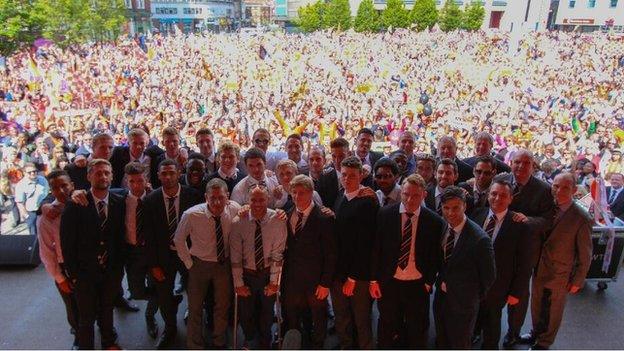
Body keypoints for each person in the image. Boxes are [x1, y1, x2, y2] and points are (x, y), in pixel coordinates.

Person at [370, 174, 446, 348]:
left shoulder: (434, 221)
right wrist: (374, 280)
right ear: (401, 192)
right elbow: (376, 250)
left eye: (416, 196)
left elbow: (434, 255)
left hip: (418, 284)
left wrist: (428, 281)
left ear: (424, 195)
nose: (410, 200)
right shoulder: (385, 214)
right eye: (406, 194)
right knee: (387, 325)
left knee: (416, 328)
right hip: (390, 281)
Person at [522, 173, 592, 350]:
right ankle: (535, 333)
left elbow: (585, 254)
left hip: (560, 272)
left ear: (574, 190)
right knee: (537, 303)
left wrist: (578, 280)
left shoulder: (581, 218)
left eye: (565, 187)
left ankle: (545, 342)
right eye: (555, 186)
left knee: (553, 310)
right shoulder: (546, 207)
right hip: (538, 267)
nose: (558, 191)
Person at [60, 159, 126, 349]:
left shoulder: (119, 200)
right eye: (98, 173)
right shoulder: (76, 204)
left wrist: (119, 269)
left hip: (111, 271)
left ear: (112, 175)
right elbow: (67, 244)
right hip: (84, 273)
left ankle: (108, 343)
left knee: (107, 309)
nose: (103, 176)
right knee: (86, 317)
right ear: (88, 176)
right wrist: (73, 274)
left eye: (107, 172)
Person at [495, 149, 555, 348]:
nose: (520, 166)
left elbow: (548, 219)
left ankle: (513, 332)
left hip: (525, 250)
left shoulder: (543, 189)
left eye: (526, 163)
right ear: (511, 163)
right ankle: (481, 325)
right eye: (517, 162)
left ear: (533, 166)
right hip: (498, 245)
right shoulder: (501, 179)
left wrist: (528, 221)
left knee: (518, 293)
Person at [174, 178, 241, 349]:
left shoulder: (235, 209)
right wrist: (189, 264)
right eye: (213, 198)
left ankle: (219, 341)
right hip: (199, 265)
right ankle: (195, 345)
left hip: (224, 265)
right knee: (195, 307)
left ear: (228, 197)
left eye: (221, 198)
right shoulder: (191, 214)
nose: (217, 202)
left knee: (222, 306)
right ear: (206, 197)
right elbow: (179, 240)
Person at [143, 158, 203, 349]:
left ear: (179, 173)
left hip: (188, 254)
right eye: (164, 173)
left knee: (193, 291)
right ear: (159, 176)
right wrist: (153, 265)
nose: (168, 177)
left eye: (171, 172)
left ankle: (195, 327)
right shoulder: (150, 200)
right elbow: (148, 236)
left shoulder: (193, 195)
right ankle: (170, 329)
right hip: (162, 257)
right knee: (163, 295)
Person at [470, 179, 533, 349]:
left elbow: (525, 264)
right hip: (474, 281)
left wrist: (516, 292)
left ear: (511, 199)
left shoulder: (520, 225)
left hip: (499, 285)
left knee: (492, 322)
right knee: (476, 314)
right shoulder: (477, 214)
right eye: (494, 194)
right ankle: (475, 334)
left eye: (503, 195)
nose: (497, 198)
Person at [434, 186, 496, 349]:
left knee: (460, 343)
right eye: (446, 208)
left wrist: (471, 298)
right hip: (441, 297)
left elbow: (489, 276)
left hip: (464, 303)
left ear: (464, 206)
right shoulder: (443, 226)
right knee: (442, 338)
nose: (450, 213)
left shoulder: (480, 239)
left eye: (455, 208)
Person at [282, 175, 336, 349]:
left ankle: (318, 344)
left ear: (311, 193)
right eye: (294, 192)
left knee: (318, 316)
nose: (298, 196)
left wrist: (325, 283)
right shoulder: (288, 214)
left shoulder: (324, 218)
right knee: (295, 317)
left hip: (316, 281)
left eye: (302, 193)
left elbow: (330, 255)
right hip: (293, 280)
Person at [230, 185, 287, 348]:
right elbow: (235, 257)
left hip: (267, 272)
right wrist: (238, 284)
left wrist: (274, 282)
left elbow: (278, 255)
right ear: (247, 200)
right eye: (253, 200)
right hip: (246, 273)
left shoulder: (277, 220)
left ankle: (265, 341)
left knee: (267, 312)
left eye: (261, 199)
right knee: (245, 312)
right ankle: (249, 339)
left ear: (268, 199)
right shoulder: (238, 222)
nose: (257, 204)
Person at [331, 156, 379, 349]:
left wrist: (353, 276)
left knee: (361, 319)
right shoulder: (340, 196)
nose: (347, 179)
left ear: (361, 175)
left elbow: (365, 245)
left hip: (357, 275)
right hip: (339, 271)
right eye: (344, 175)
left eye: (352, 175)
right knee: (342, 317)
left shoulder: (367, 202)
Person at [37, 170, 79, 349]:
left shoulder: (82, 204)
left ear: (72, 185)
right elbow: (47, 252)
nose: (61, 190)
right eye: (55, 188)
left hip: (85, 262)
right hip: (65, 266)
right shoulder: (47, 217)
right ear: (50, 191)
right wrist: (59, 278)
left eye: (64, 185)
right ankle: (78, 333)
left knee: (94, 300)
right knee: (72, 304)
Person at [120, 162, 160, 339]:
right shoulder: (119, 200)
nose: (136, 185)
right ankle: (163, 297)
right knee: (136, 291)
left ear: (146, 180)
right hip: (132, 253)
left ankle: (150, 316)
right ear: (126, 181)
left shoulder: (155, 198)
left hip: (152, 253)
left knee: (156, 285)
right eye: (132, 181)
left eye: (139, 180)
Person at [15, 162, 49, 235]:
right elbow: (19, 202)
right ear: (24, 173)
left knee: (46, 232)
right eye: (29, 172)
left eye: (34, 171)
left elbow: (48, 192)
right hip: (31, 213)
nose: (33, 173)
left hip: (44, 210)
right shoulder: (20, 185)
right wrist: (26, 216)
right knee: (34, 234)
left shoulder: (42, 180)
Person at [317, 137, 350, 208]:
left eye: (341, 156)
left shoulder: (358, 175)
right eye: (334, 156)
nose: (337, 161)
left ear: (349, 154)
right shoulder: (324, 177)